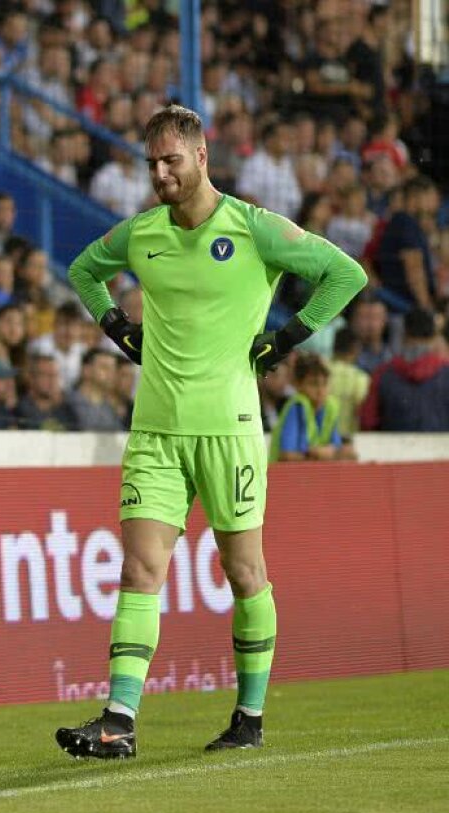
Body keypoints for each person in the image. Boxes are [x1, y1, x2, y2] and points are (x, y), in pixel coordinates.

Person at [58, 105, 366, 759]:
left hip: (230, 431)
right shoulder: (142, 234)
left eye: (171, 160)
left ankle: (249, 717)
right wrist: (118, 328)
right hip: (156, 430)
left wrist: (285, 340)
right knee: (141, 568)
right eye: (151, 164)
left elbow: (346, 274)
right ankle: (118, 720)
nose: (160, 174)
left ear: (202, 157)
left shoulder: (254, 228)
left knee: (244, 569)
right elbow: (83, 269)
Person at [359, 307, 449, 432]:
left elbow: (368, 421)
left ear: (404, 335)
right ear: (434, 338)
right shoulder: (445, 371)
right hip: (441, 449)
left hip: (392, 449)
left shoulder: (383, 373)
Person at [270, 352, 355, 462]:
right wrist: (316, 454)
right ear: (298, 385)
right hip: (280, 475)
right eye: (313, 384)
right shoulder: (297, 406)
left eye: (324, 383)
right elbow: (286, 456)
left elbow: (336, 449)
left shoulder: (330, 407)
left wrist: (336, 452)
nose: (320, 391)